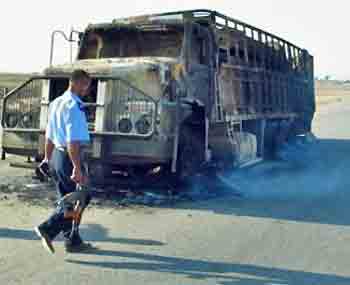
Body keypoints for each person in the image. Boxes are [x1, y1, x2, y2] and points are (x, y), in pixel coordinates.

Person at [34, 69, 93, 254]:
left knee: (68, 201)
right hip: (69, 158)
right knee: (82, 198)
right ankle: (48, 228)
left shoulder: (56, 103)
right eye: (85, 85)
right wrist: (76, 167)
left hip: (57, 158)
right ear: (76, 83)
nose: (87, 90)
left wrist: (46, 158)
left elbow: (49, 135)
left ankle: (72, 240)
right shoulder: (73, 106)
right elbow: (72, 141)